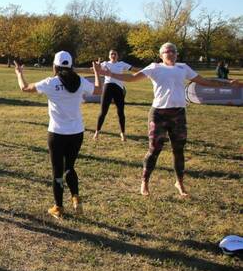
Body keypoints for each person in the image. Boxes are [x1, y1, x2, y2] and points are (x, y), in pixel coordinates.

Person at [97, 42, 240, 197]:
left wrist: (227, 83)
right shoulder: (154, 68)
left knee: (178, 151)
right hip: (158, 114)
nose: (171, 53)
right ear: (161, 55)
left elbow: (205, 81)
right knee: (154, 150)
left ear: (177, 54)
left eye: (174, 51)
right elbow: (131, 78)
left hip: (178, 114)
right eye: (167, 51)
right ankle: (145, 181)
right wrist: (107, 73)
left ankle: (179, 182)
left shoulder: (183, 68)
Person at [14, 51, 102, 219]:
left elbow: (25, 88)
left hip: (57, 133)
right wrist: (97, 72)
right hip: (77, 132)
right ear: (70, 65)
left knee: (57, 171)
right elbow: (98, 89)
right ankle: (75, 197)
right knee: (69, 167)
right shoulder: (80, 81)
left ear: (55, 66)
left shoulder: (50, 82)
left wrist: (20, 73)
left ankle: (58, 207)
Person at [93, 49, 134, 142]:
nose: (113, 55)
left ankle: (122, 133)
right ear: (109, 56)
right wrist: (97, 66)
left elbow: (134, 69)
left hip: (119, 89)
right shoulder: (105, 64)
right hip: (108, 87)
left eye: (115, 54)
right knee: (103, 111)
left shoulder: (122, 64)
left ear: (117, 56)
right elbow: (95, 69)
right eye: (111, 54)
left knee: (121, 112)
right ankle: (97, 132)